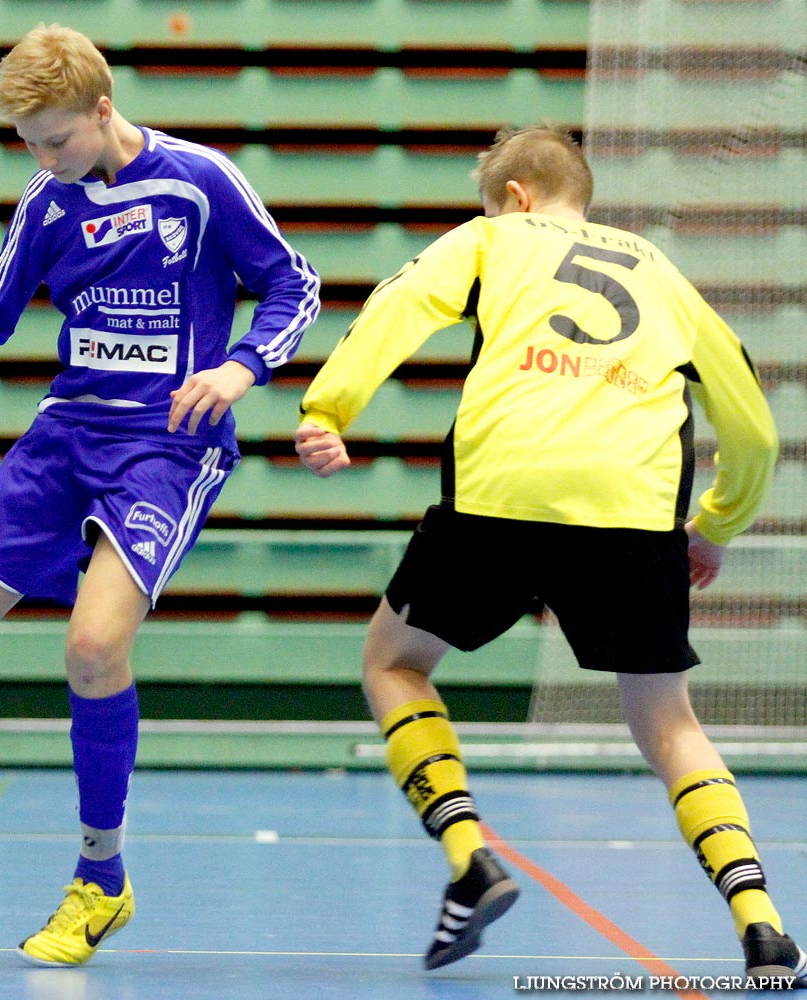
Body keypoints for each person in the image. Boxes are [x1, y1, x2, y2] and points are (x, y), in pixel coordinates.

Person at [0, 22, 318, 967]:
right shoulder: (47, 204)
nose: (41, 161)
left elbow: (294, 282)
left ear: (103, 109)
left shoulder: (199, 181)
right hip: (65, 435)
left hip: (165, 448)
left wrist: (244, 368)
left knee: (92, 646)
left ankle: (102, 880)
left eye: (55, 140)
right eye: (27, 144)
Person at [294, 126, 806, 985]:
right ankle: (763, 923)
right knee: (670, 724)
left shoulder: (493, 237)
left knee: (395, 663)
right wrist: (717, 522)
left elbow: (401, 302)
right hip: (634, 512)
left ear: (518, 196)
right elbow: (751, 419)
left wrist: (329, 407)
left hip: (504, 491)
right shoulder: (661, 272)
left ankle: (470, 858)